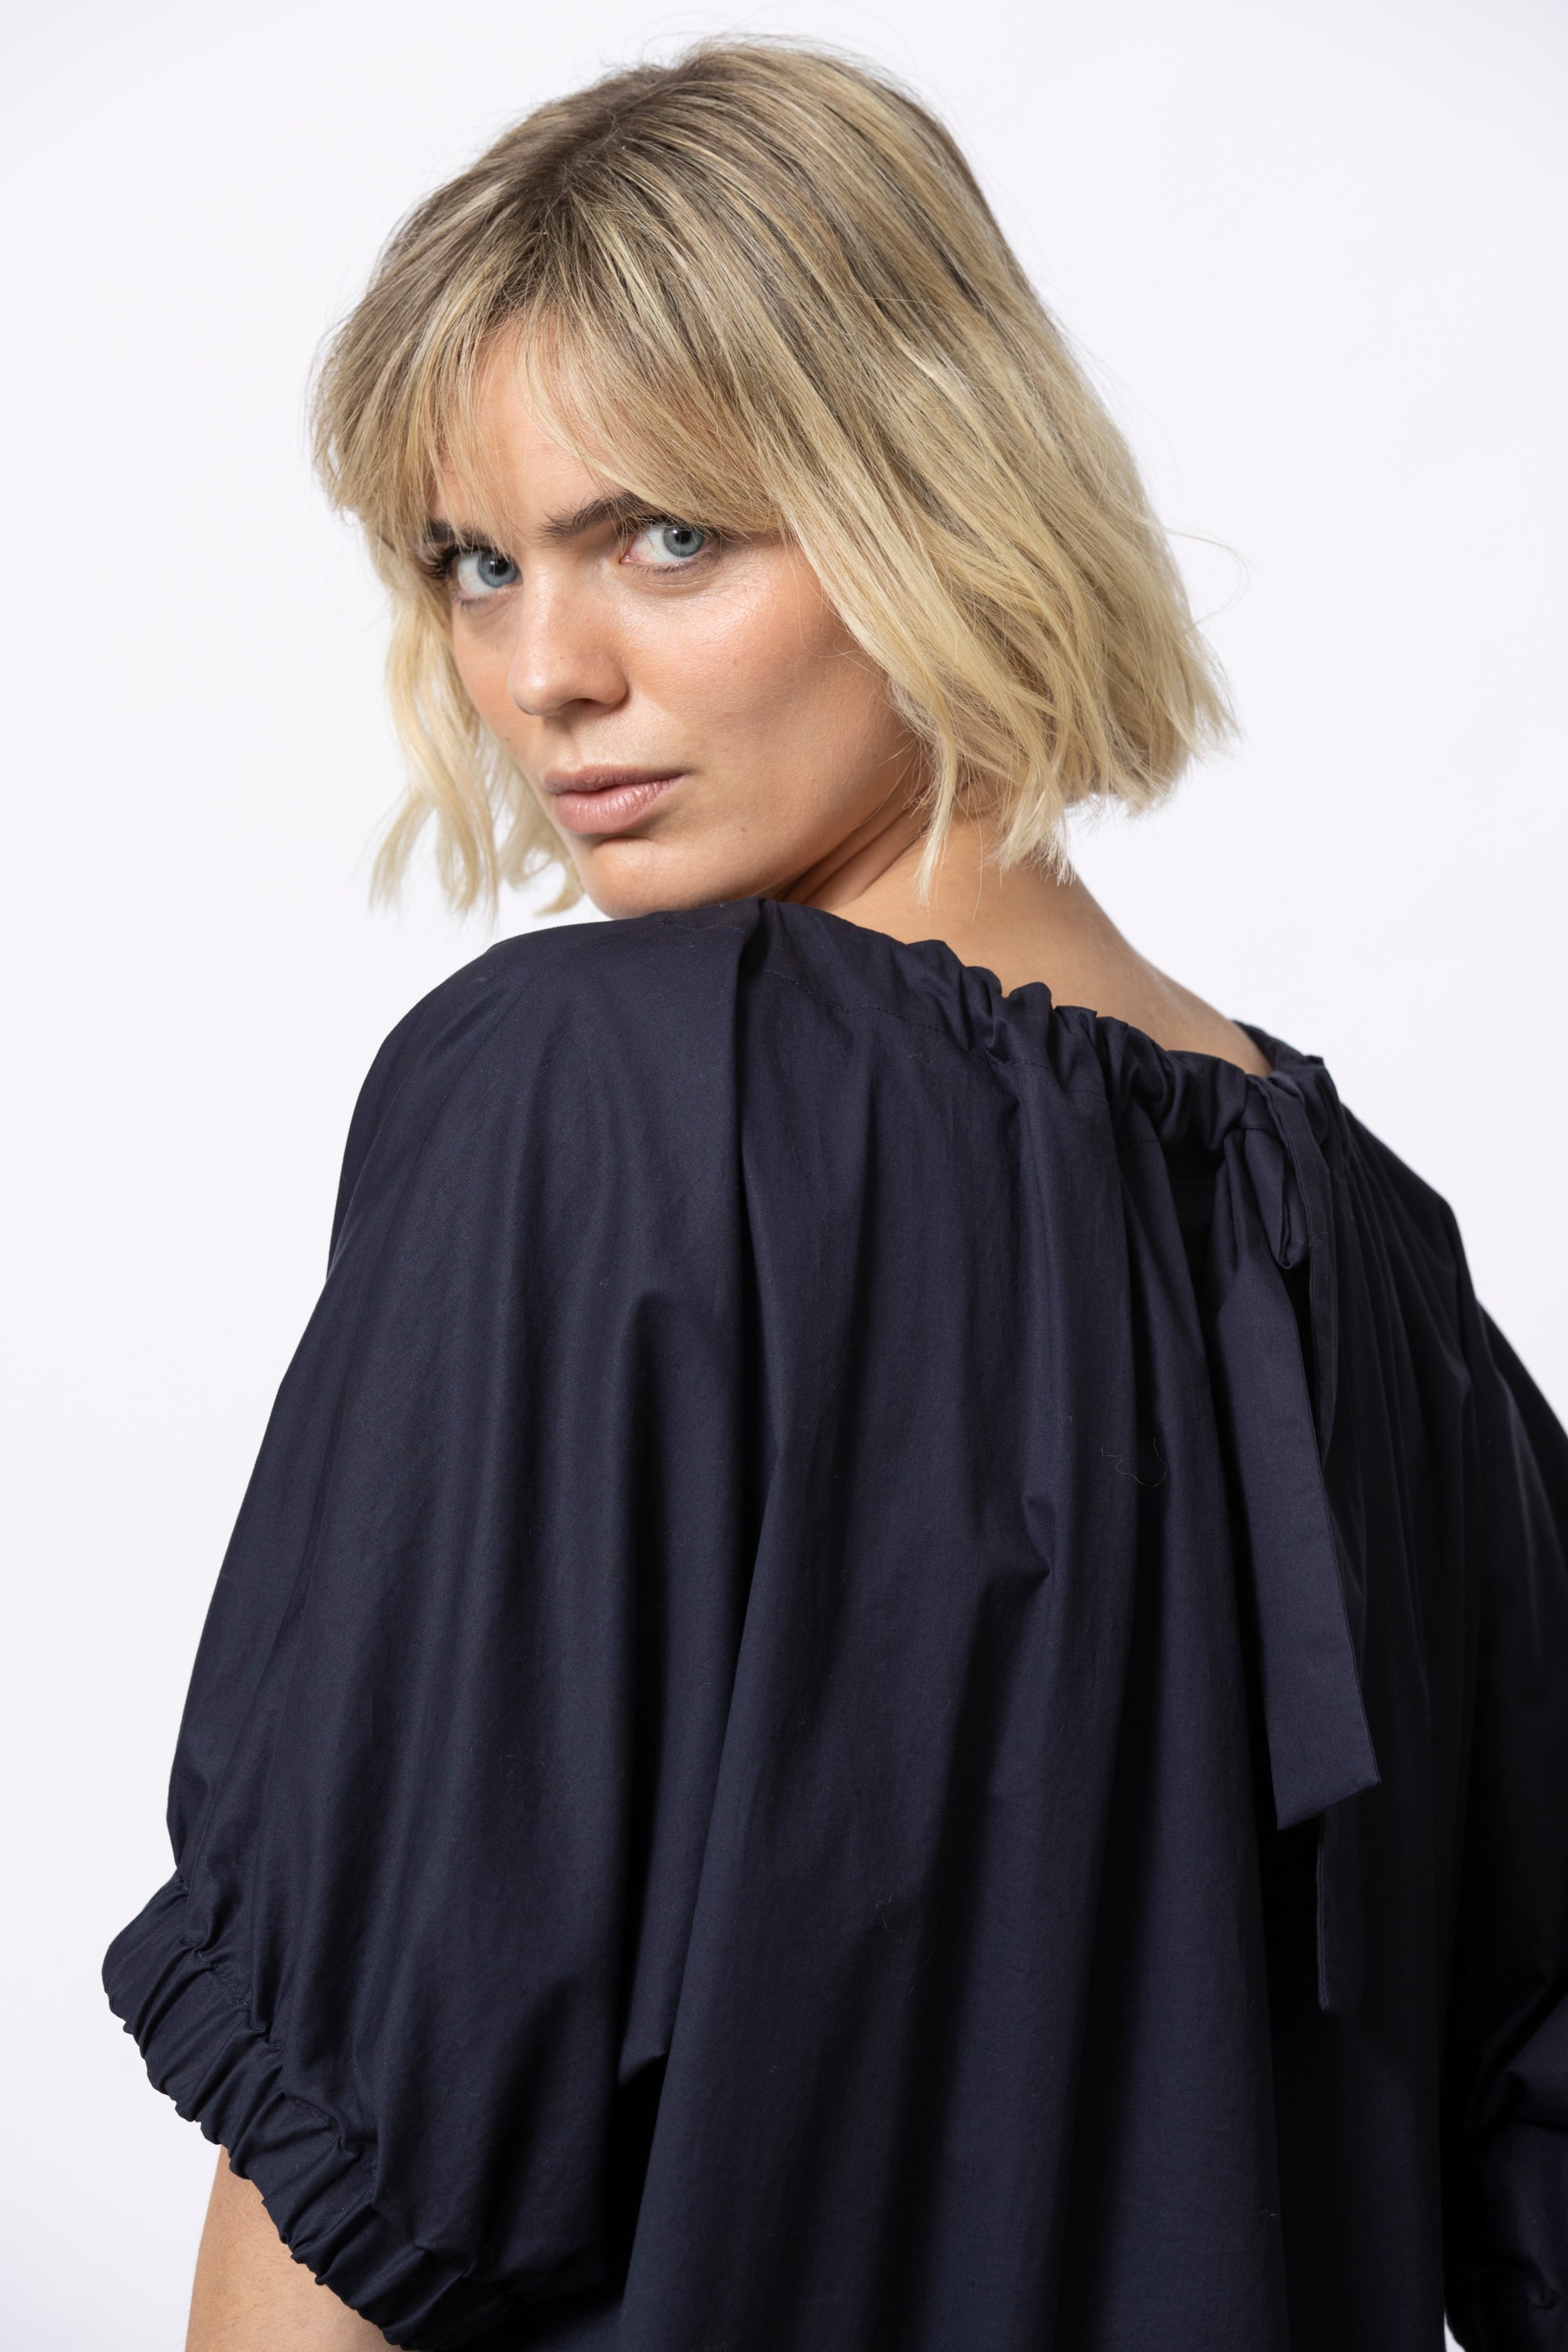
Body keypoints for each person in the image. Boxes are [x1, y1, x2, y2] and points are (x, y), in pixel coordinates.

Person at [104, 41, 1568, 2352]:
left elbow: (370, 2149)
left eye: (667, 537)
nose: (544, 674)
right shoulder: (1389, 1265)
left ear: (932, 495)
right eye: (476, 565)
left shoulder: (601, 1098)